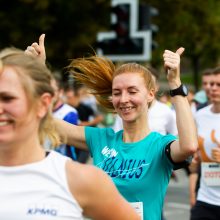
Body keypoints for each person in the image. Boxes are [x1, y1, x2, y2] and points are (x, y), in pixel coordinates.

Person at [26, 34, 198, 220]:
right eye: (117, 93)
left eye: (132, 91)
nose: (124, 100)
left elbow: (189, 146)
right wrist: (37, 72)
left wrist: (175, 83)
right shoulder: (101, 139)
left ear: (150, 95)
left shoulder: (159, 146)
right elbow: (46, 121)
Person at [0, 47, 140, 220]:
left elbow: (185, 146)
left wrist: (176, 89)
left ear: (43, 105)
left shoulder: (80, 180)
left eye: (8, 99)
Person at [189, 67, 220, 220]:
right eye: (211, 84)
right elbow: (195, 162)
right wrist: (192, 195)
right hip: (205, 198)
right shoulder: (201, 115)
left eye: (218, 85)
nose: (213, 88)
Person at [50, 72, 79, 160]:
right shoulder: (41, 111)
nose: (49, 95)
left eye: (52, 91)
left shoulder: (69, 112)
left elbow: (57, 140)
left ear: (60, 92)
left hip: (65, 162)